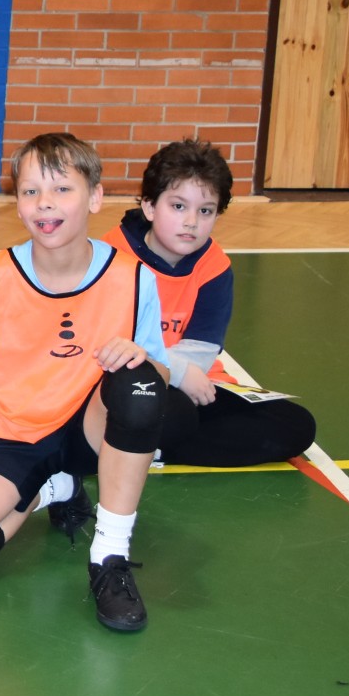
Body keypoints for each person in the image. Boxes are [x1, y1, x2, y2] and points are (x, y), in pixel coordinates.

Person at [0, 133, 173, 632]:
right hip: (12, 434)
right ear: (18, 204)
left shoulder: (133, 278)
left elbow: (162, 374)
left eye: (62, 189)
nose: (45, 203)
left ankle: (109, 555)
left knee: (140, 384)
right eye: (30, 192)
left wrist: (142, 358)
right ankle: (51, 488)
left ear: (94, 197)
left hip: (89, 431)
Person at [102, 139, 315, 466]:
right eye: (178, 207)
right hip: (130, 383)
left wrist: (184, 375)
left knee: (297, 425)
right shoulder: (111, 258)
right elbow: (110, 348)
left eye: (205, 211)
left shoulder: (214, 266)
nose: (191, 221)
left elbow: (201, 350)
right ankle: (147, 440)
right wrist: (178, 373)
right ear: (150, 207)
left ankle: (153, 447)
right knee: (173, 413)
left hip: (195, 379)